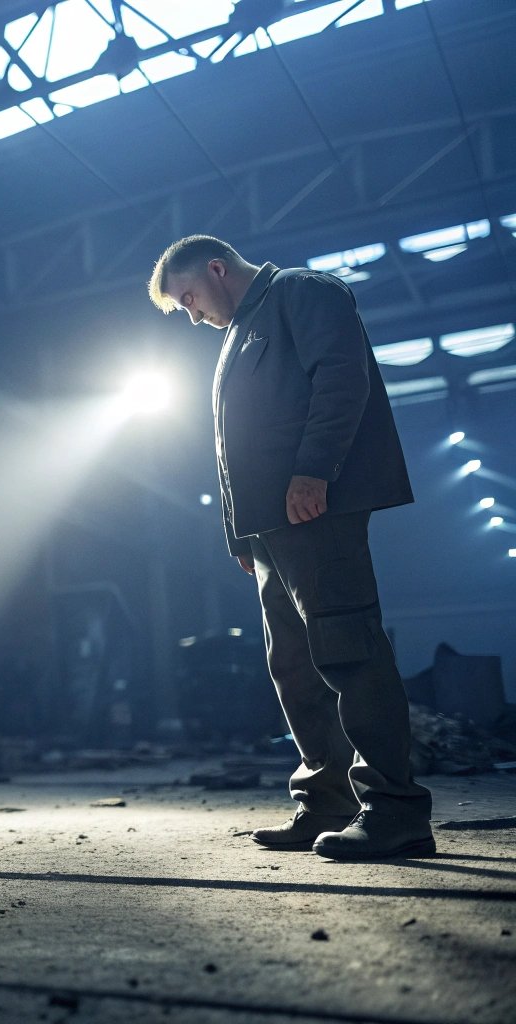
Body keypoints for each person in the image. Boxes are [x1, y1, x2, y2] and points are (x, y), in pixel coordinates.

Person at [147, 235, 433, 860]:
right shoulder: (237, 337)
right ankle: (325, 802)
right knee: (293, 665)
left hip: (316, 509)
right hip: (269, 530)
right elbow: (232, 446)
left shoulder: (300, 293)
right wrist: (236, 529)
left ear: (216, 269)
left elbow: (340, 377)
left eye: (191, 298)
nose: (193, 316)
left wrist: (315, 470)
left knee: (348, 648)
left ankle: (396, 810)